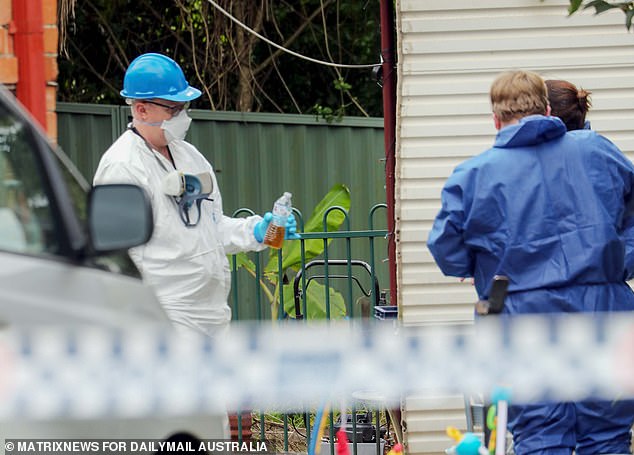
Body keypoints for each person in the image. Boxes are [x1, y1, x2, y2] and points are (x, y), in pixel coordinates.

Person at [427, 70, 634, 454]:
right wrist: (618, 265)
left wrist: (479, 263)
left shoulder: (473, 175)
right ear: (547, 108)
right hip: (605, 310)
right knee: (607, 436)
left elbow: (446, 250)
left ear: (495, 118)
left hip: (520, 313)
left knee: (540, 437)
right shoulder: (595, 150)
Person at [93, 53, 298, 339]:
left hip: (210, 313)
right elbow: (113, 254)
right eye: (173, 109)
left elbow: (211, 229)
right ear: (140, 110)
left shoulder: (189, 156)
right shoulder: (122, 166)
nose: (182, 116)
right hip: (160, 317)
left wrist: (256, 231)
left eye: (184, 107)